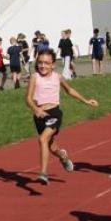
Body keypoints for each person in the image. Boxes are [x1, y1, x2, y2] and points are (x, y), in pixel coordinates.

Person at [25, 48, 99, 185]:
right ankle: (63, 156)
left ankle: (43, 173)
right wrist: (35, 109)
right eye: (40, 62)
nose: (43, 66)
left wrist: (86, 100)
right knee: (51, 146)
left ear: (53, 64)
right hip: (39, 116)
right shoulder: (34, 78)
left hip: (54, 113)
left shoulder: (57, 77)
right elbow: (28, 98)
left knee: (42, 140)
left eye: (47, 63)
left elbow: (69, 90)